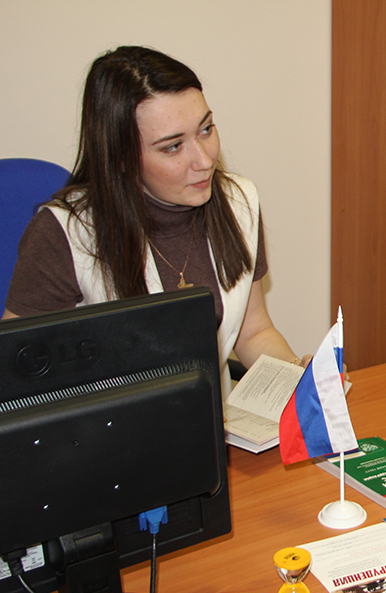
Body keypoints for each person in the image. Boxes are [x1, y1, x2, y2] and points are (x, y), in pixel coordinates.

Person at [2, 46, 307, 392]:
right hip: (109, 421)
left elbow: (254, 332)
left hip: (209, 418)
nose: (204, 160)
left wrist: (298, 380)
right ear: (121, 158)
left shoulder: (239, 203)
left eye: (206, 129)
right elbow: (15, 371)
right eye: (172, 146)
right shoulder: (67, 233)